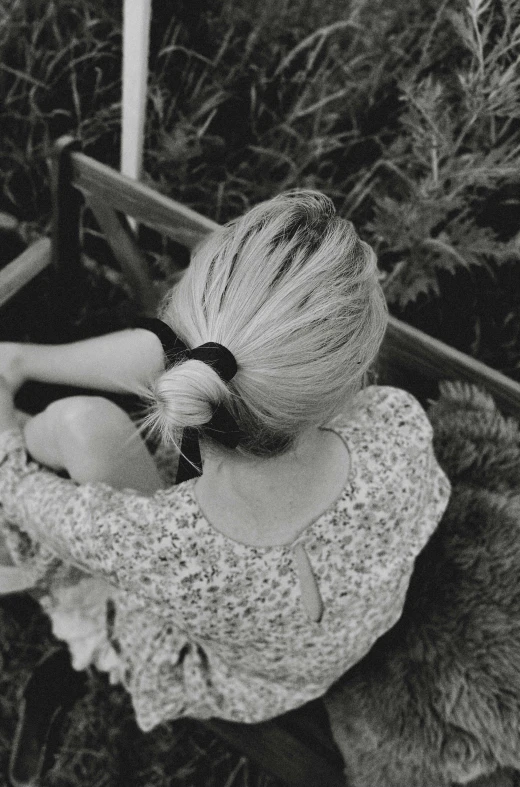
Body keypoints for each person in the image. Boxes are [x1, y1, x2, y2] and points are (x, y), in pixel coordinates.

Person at [0, 191, 451, 780]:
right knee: (96, 420)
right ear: (346, 380)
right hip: (346, 630)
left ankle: (21, 380)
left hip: (250, 681)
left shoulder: (150, 543)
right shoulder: (396, 426)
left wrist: (12, 429)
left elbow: (17, 488)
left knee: (76, 426)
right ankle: (24, 365)